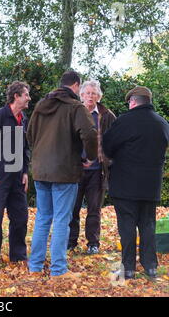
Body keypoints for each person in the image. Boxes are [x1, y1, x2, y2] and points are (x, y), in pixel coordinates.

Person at [26, 71, 97, 279]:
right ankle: (58, 270)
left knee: (42, 218)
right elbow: (90, 134)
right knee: (61, 220)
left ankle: (36, 267)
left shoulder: (40, 106)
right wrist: (89, 157)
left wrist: (39, 157)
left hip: (41, 170)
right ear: (76, 85)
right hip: (65, 171)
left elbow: (30, 135)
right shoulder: (75, 107)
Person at [103, 86, 169, 280]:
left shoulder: (124, 121)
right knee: (148, 224)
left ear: (132, 101)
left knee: (127, 225)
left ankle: (128, 268)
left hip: (125, 184)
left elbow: (107, 146)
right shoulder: (162, 123)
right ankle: (150, 267)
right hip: (151, 184)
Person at [0, 81, 31, 267]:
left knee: (20, 218)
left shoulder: (23, 119)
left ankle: (18, 256)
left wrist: (25, 171)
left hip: (17, 177)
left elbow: (25, 147)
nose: (29, 98)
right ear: (16, 96)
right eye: (26, 95)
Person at [68, 80, 116, 255]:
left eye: (93, 93)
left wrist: (108, 160)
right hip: (75, 170)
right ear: (81, 95)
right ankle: (70, 241)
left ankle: (93, 243)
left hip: (97, 171)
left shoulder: (106, 115)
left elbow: (115, 139)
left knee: (94, 210)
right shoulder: (72, 112)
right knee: (71, 208)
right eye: (87, 93)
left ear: (99, 96)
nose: (90, 96)